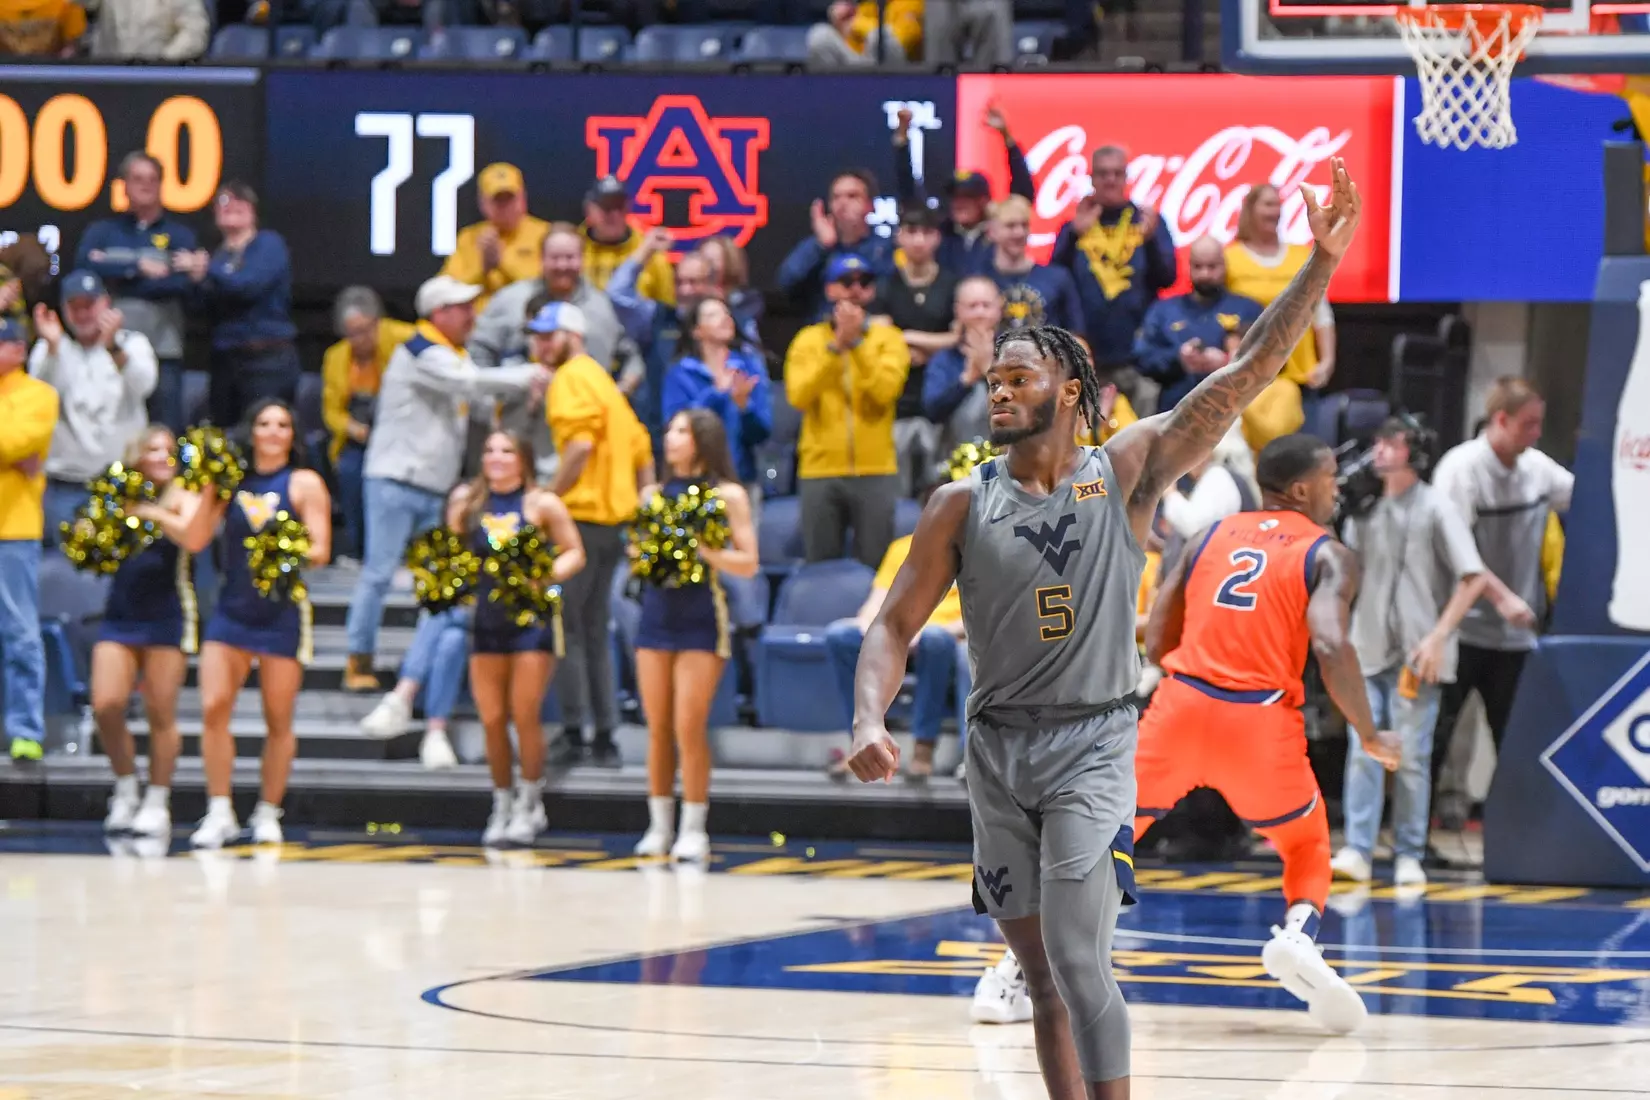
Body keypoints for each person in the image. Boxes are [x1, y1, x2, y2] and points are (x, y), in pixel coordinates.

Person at [844, 159, 1364, 1097]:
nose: (997, 389)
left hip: (1092, 743)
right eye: (992, 377)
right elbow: (892, 628)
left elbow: (1248, 374)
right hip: (994, 752)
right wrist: (868, 719)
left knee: (1082, 961)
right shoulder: (960, 502)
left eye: (1017, 375)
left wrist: (1319, 264)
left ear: (1072, 391)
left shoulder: (1125, 469)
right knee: (1039, 978)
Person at [1133, 434, 1400, 1038]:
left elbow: (1157, 637)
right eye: (1331, 476)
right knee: (1307, 846)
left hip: (1180, 705)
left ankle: (1017, 969)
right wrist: (1370, 732)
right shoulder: (1328, 552)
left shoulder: (1208, 535)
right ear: (1303, 488)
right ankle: (1299, 936)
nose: (1338, 487)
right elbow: (1331, 646)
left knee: (1102, 843)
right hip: (1258, 719)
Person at [343, 275, 545, 691]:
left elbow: (480, 397)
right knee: (379, 573)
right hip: (395, 478)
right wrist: (532, 374)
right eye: (464, 308)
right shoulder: (420, 350)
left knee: (438, 580)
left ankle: (420, 668)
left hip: (434, 486)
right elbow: (467, 383)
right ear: (441, 312)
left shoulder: (454, 355)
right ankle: (357, 659)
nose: (472, 315)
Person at [1332, 417, 1486, 888]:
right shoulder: (1364, 510)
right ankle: (1358, 849)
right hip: (1367, 648)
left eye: (1391, 443)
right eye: (1377, 441)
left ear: (1413, 451)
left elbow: (1473, 577)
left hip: (1420, 654)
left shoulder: (1438, 507)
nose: (1380, 450)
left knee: (1413, 756)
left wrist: (1439, 636)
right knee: (1363, 750)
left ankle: (1409, 852)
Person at [1428, 378, 1573, 828]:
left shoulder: (1537, 468)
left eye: (1539, 425)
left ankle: (1516, 835)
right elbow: (1458, 553)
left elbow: (1587, 502)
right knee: (1436, 738)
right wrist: (1502, 597)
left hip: (1514, 639)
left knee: (1516, 741)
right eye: (1528, 425)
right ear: (1501, 419)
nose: (1535, 434)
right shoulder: (1460, 469)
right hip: (1461, 631)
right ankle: (1412, 835)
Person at [190, 399, 332, 849]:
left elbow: (320, 549)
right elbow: (195, 539)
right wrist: (207, 489)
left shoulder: (304, 482)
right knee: (213, 707)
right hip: (231, 610)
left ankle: (269, 811)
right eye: (265, 423)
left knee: (278, 719)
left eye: (283, 424)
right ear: (251, 431)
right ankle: (219, 810)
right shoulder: (231, 481)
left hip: (280, 611)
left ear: (293, 435)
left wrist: (280, 549)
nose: (273, 431)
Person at [633, 410, 759, 861]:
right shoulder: (650, 495)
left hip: (702, 617)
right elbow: (637, 551)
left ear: (703, 439)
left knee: (689, 726)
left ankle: (694, 826)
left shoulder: (728, 495)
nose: (671, 437)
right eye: (669, 430)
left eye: (681, 431)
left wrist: (701, 552)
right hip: (654, 616)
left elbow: (749, 561)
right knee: (657, 727)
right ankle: (658, 825)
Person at [533, 302, 655, 768]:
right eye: (538, 336)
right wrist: (643, 508)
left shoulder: (571, 379)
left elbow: (581, 445)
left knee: (568, 628)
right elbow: (643, 449)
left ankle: (573, 731)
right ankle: (605, 737)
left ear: (574, 336)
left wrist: (546, 496)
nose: (542, 344)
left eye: (550, 335)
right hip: (612, 526)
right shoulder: (605, 383)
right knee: (594, 629)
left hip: (579, 523)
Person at [464, 430, 586, 846]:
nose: (496, 456)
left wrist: (545, 576)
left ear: (524, 459)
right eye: (490, 449)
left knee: (523, 713)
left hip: (531, 620)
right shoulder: (467, 502)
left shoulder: (542, 503)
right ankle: (501, 801)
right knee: (492, 719)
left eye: (507, 450)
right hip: (485, 621)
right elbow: (452, 554)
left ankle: (531, 801)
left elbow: (574, 551)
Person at [101, 426, 211, 837]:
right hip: (120, 611)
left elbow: (195, 538)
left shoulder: (185, 494)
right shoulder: (118, 491)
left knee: (160, 712)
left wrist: (155, 514)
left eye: (169, 449)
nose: (162, 455)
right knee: (106, 704)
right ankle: (126, 786)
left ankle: (157, 799)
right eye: (153, 448)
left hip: (168, 613)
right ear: (137, 454)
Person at [825, 496, 965, 781]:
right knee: (841, 634)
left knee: (935, 640)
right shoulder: (903, 547)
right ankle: (863, 739)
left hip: (946, 636)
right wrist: (868, 626)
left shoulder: (976, 548)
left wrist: (922, 632)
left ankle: (923, 748)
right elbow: (877, 601)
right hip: (900, 629)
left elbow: (979, 615)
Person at [784, 253, 910, 567]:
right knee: (820, 567)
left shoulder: (889, 339)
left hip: (875, 469)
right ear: (829, 290)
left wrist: (856, 345)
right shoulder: (807, 341)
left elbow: (885, 392)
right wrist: (835, 348)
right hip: (819, 470)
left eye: (863, 282)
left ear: (871, 292)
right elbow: (798, 397)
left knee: (876, 567)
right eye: (845, 282)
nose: (855, 289)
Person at [29, 272, 158, 542]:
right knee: (60, 575)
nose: (83, 313)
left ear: (106, 304)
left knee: (120, 576)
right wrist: (53, 349)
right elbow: (39, 401)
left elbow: (145, 384)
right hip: (63, 485)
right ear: (63, 309)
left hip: (118, 485)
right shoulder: (49, 347)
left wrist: (113, 348)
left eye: (90, 304)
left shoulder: (132, 343)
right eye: (74, 306)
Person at [76, 151, 200, 431]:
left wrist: (114, 267)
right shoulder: (102, 231)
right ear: (124, 185)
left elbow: (184, 285)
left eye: (153, 179)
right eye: (137, 179)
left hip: (164, 348)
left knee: (164, 430)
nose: (145, 185)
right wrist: (137, 266)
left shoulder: (180, 235)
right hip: (113, 347)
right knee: (110, 425)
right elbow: (84, 268)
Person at [358, 482, 477, 770]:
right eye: (454, 504)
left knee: (445, 616)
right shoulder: (436, 549)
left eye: (467, 504)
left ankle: (401, 696)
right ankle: (435, 733)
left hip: (486, 640)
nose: (459, 511)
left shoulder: (487, 546)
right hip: (445, 649)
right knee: (450, 639)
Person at [1050, 145, 1177, 411]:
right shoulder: (1076, 224)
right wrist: (1073, 234)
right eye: (1103, 173)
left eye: (1117, 173)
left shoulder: (1147, 221)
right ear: (1092, 178)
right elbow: (1053, 283)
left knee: (1143, 434)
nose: (1110, 180)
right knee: (1086, 436)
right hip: (1087, 354)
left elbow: (1168, 278)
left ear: (1126, 177)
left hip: (1137, 354)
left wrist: (1151, 240)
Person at [173, 182, 298, 430]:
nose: (231, 207)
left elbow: (248, 286)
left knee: (262, 431)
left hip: (266, 359)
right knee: (225, 434)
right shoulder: (218, 255)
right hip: (226, 361)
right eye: (223, 203)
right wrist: (197, 282)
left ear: (252, 211)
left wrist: (207, 270)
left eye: (240, 201)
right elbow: (202, 310)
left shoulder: (268, 245)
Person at [1226, 183, 1338, 452]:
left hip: (1297, 375)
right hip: (1248, 376)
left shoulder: (1302, 256)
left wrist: (1327, 361)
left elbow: (1321, 312)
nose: (1273, 211)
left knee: (1298, 454)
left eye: (1277, 204)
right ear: (1250, 210)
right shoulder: (1230, 258)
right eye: (1266, 204)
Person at [320, 286, 415, 564]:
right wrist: (357, 431)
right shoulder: (335, 357)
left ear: (377, 322)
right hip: (359, 436)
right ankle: (359, 550)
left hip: (400, 432)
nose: (360, 339)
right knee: (351, 471)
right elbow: (332, 412)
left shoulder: (402, 338)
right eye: (352, 333)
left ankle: (398, 551)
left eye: (365, 330)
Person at [0, 318, 58, 763]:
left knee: (19, 633)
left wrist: (15, 452)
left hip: (13, 528)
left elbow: (19, 439)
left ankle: (25, 729)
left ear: (19, 349)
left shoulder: (38, 394)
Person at [877, 204, 959, 494]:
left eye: (926, 232)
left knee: (939, 489)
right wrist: (926, 343)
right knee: (895, 492)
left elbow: (958, 337)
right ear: (900, 236)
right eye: (911, 232)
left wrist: (909, 336)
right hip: (896, 401)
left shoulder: (951, 284)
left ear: (937, 238)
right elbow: (880, 337)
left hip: (941, 399)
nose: (919, 240)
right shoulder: (885, 284)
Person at [1134, 237, 1263, 412]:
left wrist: (1229, 362)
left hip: (1236, 413)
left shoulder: (1248, 309)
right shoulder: (1164, 311)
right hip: (1174, 411)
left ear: (1225, 265)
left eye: (1212, 266)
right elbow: (1142, 357)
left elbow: (1270, 360)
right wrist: (1179, 359)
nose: (1205, 274)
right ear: (1188, 267)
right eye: (1198, 266)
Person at [661, 298, 771, 492]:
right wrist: (716, 394)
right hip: (691, 483)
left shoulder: (748, 368)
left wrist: (745, 408)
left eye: (726, 314)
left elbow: (762, 433)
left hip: (741, 480)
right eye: (713, 315)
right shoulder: (680, 374)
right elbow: (676, 427)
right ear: (696, 331)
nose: (724, 320)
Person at [777, 170, 894, 318]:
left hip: (873, 330)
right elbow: (786, 281)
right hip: (824, 331)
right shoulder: (817, 246)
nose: (843, 203)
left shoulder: (884, 247)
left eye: (852, 196)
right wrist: (821, 246)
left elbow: (893, 292)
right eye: (836, 197)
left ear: (870, 205)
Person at [440, 162, 551, 313]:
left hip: (528, 318)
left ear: (523, 199)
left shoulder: (545, 234)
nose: (505, 207)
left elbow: (546, 288)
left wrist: (502, 263)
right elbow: (446, 292)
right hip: (477, 324)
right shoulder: (468, 238)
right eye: (498, 201)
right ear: (483, 204)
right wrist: (482, 269)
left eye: (510, 199)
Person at [980, 196, 1084, 335]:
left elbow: (1076, 333)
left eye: (1024, 225)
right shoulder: (979, 282)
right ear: (991, 232)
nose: (1019, 233)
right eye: (1010, 226)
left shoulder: (1057, 277)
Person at [922, 275, 1002, 447]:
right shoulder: (944, 359)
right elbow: (932, 412)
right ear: (957, 310)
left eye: (986, 305)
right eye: (972, 306)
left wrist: (989, 371)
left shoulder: (1018, 355)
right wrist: (966, 380)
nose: (980, 313)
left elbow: (1030, 409)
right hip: (955, 461)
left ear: (999, 308)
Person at [579, 175, 674, 303]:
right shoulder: (573, 247)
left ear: (628, 207)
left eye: (619, 206)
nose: (614, 214)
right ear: (589, 209)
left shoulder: (649, 252)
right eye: (606, 207)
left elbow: (666, 307)